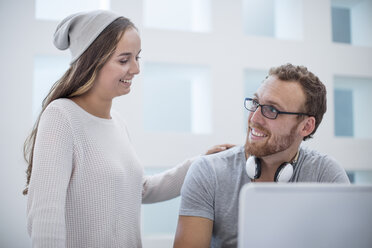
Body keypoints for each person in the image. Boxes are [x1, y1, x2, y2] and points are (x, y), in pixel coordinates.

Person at [23, 10, 233, 248]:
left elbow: (139, 189)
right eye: (124, 60)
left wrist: (200, 164)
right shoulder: (62, 116)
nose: (135, 69)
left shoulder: (118, 123)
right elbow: (45, 218)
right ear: (91, 61)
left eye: (137, 58)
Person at [173, 63, 350, 248]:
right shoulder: (208, 172)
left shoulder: (325, 175)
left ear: (306, 126)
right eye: (256, 103)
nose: (254, 118)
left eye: (272, 110)